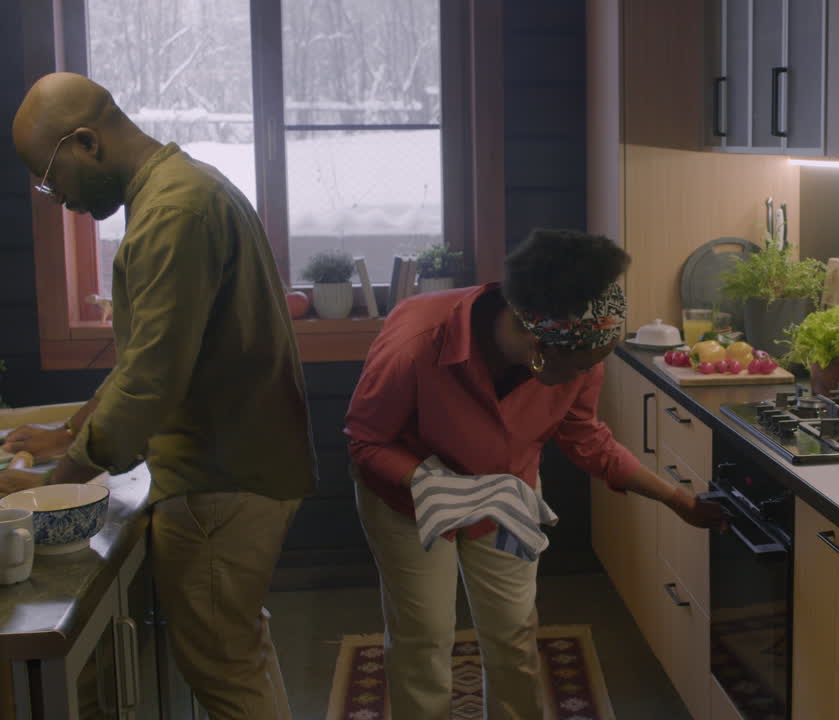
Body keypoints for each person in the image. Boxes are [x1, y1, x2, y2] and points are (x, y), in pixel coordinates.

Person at [4, 73, 316, 720]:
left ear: (86, 142)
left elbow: (149, 383)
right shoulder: (183, 189)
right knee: (240, 656)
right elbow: (148, 357)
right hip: (242, 473)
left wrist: (51, 493)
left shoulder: (173, 213)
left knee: (227, 671)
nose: (55, 198)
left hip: (221, 483)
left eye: (50, 177)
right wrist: (69, 434)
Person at [346, 229, 725, 719]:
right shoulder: (418, 339)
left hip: (508, 498)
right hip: (410, 504)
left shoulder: (581, 347)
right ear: (537, 342)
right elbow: (365, 440)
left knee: (514, 632)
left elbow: (585, 438)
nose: (584, 376)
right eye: (578, 368)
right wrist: (436, 485)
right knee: (424, 637)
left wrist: (678, 500)